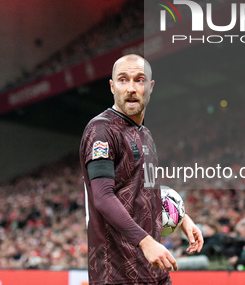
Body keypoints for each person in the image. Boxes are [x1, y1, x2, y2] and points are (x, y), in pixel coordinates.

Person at [79, 54, 204, 285]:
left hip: (153, 270)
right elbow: (103, 197)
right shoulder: (101, 130)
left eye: (139, 80)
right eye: (123, 80)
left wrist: (181, 216)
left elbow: (145, 191)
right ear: (112, 86)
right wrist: (145, 242)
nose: (131, 88)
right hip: (117, 274)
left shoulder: (144, 134)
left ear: (150, 87)